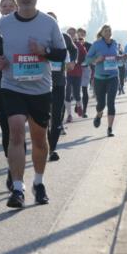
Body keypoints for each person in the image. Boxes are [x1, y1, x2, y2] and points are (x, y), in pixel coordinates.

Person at [0, 0, 67, 209]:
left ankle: (38, 182)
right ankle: (17, 188)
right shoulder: (3, 24)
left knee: (38, 137)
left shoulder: (48, 23)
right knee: (15, 132)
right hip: (12, 86)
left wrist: (44, 51)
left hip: (40, 89)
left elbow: (62, 53)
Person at [0, 0, 19, 191]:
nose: (7, 8)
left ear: (17, 8)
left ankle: (16, 175)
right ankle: (12, 168)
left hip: (22, 85)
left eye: (11, 5)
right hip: (0, 82)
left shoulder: (25, 28)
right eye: (4, 6)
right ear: (0, 9)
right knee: (7, 130)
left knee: (16, 130)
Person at [45, 12, 77, 162]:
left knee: (57, 116)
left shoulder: (64, 37)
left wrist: (73, 62)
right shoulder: (41, 36)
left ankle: (52, 149)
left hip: (59, 82)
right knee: (44, 117)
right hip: (42, 83)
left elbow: (74, 50)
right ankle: (46, 146)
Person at [86, 24, 120, 137]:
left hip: (113, 76)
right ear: (101, 33)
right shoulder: (96, 44)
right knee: (101, 103)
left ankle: (110, 128)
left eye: (109, 31)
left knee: (111, 102)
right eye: (106, 31)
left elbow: (116, 56)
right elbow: (87, 59)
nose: (108, 33)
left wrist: (122, 57)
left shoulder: (115, 43)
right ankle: (99, 115)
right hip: (99, 78)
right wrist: (97, 59)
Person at [64, 27, 86, 121]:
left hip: (77, 72)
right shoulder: (63, 44)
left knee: (77, 93)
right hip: (66, 73)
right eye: (69, 33)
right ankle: (69, 115)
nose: (71, 35)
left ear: (76, 35)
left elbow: (85, 56)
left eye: (73, 33)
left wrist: (80, 63)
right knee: (67, 94)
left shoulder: (79, 45)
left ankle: (79, 105)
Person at [77, 27, 92, 111]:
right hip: (75, 70)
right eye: (79, 33)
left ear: (85, 35)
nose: (80, 35)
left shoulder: (89, 45)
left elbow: (92, 57)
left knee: (84, 89)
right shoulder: (73, 44)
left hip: (85, 69)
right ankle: (78, 105)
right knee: (77, 90)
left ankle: (84, 110)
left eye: (82, 33)